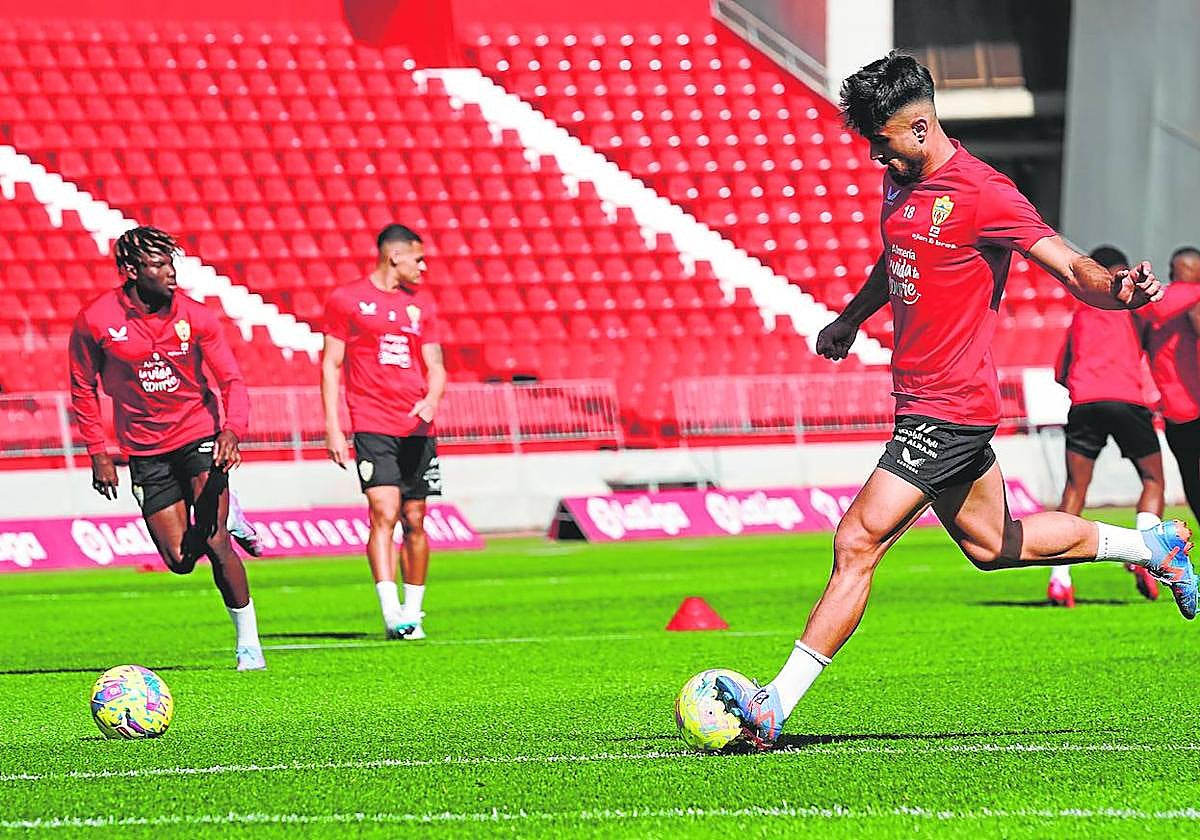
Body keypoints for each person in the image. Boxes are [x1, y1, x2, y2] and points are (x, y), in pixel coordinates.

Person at [715, 53, 1195, 750]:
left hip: (952, 407)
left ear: (918, 126)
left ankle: (773, 706)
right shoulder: (897, 182)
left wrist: (1117, 289)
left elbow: (1069, 264)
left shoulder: (984, 193)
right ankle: (1151, 543)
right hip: (918, 402)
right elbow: (897, 258)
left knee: (857, 540)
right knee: (993, 546)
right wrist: (851, 319)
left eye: (881, 141)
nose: (875, 154)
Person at [68, 225, 265, 671]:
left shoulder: (197, 316)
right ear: (131, 271)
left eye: (171, 262)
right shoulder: (96, 320)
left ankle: (248, 644)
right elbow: (82, 386)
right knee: (179, 561)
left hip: (200, 434)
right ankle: (228, 514)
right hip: (143, 448)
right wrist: (99, 453)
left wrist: (232, 431)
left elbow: (232, 380)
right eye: (158, 264)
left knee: (215, 542)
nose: (171, 272)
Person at [321, 224, 446, 640]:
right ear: (396, 256)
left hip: (418, 427)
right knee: (384, 514)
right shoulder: (346, 300)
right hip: (373, 423)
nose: (424, 267)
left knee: (415, 518)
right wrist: (334, 428)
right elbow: (331, 364)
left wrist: (431, 398)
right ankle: (391, 612)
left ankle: (414, 612)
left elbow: (436, 365)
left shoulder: (421, 306)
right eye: (418, 258)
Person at [1047, 245, 1163, 607]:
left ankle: (1060, 580)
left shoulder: (1083, 310)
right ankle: (1145, 555)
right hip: (1128, 400)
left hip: (1085, 403)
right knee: (1153, 479)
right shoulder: (1134, 310)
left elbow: (1060, 373)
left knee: (1075, 491)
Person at [1139, 246, 1200, 524]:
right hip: (1183, 409)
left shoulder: (1161, 306)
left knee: (1191, 475)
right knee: (1191, 476)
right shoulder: (1183, 300)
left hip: (1178, 411)